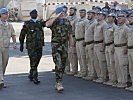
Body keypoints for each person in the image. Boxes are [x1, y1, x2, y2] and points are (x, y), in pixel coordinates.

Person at [45, 6, 73, 92]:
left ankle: (59, 80)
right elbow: (47, 24)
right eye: (61, 12)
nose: (62, 14)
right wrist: (55, 16)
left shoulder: (67, 22)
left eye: (63, 12)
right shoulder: (54, 21)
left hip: (64, 46)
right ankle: (59, 82)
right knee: (58, 64)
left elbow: (70, 35)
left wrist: (71, 46)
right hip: (56, 46)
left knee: (63, 64)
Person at [19, 9, 45, 85]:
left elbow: (47, 23)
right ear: (30, 15)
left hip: (39, 45)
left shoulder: (40, 23)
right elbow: (22, 35)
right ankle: (35, 77)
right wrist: (21, 44)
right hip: (31, 46)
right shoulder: (27, 24)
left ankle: (31, 74)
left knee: (38, 59)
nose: (34, 14)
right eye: (33, 13)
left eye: (36, 13)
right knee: (33, 61)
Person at [0, 8, 16, 89]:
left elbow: (13, 34)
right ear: (1, 15)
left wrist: (14, 43)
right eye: (5, 14)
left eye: (7, 14)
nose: (6, 15)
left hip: (6, 47)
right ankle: (1, 80)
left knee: (4, 63)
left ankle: (1, 79)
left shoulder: (9, 25)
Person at [113, 14, 129, 88]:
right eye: (118, 18)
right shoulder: (116, 28)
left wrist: (126, 48)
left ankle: (124, 82)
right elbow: (114, 39)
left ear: (124, 19)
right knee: (117, 65)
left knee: (123, 65)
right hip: (116, 48)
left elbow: (128, 39)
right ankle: (119, 81)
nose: (118, 20)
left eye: (120, 18)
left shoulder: (126, 28)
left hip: (122, 48)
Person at [93, 11, 107, 83]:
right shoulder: (96, 24)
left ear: (103, 16)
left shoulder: (104, 24)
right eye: (97, 15)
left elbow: (105, 37)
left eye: (100, 15)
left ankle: (103, 77)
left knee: (101, 62)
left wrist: (103, 46)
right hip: (95, 44)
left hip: (100, 44)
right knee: (96, 62)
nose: (98, 16)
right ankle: (99, 76)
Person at [83, 10, 97, 80]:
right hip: (87, 43)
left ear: (94, 15)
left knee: (92, 60)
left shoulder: (95, 23)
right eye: (88, 14)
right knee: (88, 59)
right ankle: (90, 72)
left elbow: (96, 35)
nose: (88, 15)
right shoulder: (88, 23)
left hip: (92, 43)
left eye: (90, 14)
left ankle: (93, 74)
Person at [103, 13, 117, 86]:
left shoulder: (115, 27)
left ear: (114, 18)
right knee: (108, 64)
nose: (108, 18)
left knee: (112, 64)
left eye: (110, 17)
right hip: (107, 46)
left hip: (111, 45)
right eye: (108, 17)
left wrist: (114, 47)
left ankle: (114, 79)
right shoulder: (107, 26)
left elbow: (115, 38)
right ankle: (110, 79)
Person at [74, 9, 87, 78]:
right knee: (79, 57)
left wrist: (85, 40)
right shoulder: (78, 20)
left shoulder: (86, 21)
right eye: (80, 12)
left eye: (82, 12)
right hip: (77, 40)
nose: (81, 13)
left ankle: (85, 71)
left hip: (82, 40)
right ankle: (82, 70)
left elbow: (86, 32)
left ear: (85, 13)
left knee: (83, 57)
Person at [65, 7, 78, 76]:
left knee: (72, 54)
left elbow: (76, 30)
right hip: (66, 38)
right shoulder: (68, 18)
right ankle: (67, 68)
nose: (70, 11)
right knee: (67, 54)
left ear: (75, 11)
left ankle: (74, 69)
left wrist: (74, 39)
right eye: (70, 10)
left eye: (72, 10)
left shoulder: (77, 19)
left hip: (72, 37)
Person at [125, 13, 133, 91]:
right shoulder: (129, 28)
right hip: (130, 49)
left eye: (131, 18)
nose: (129, 20)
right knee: (131, 68)